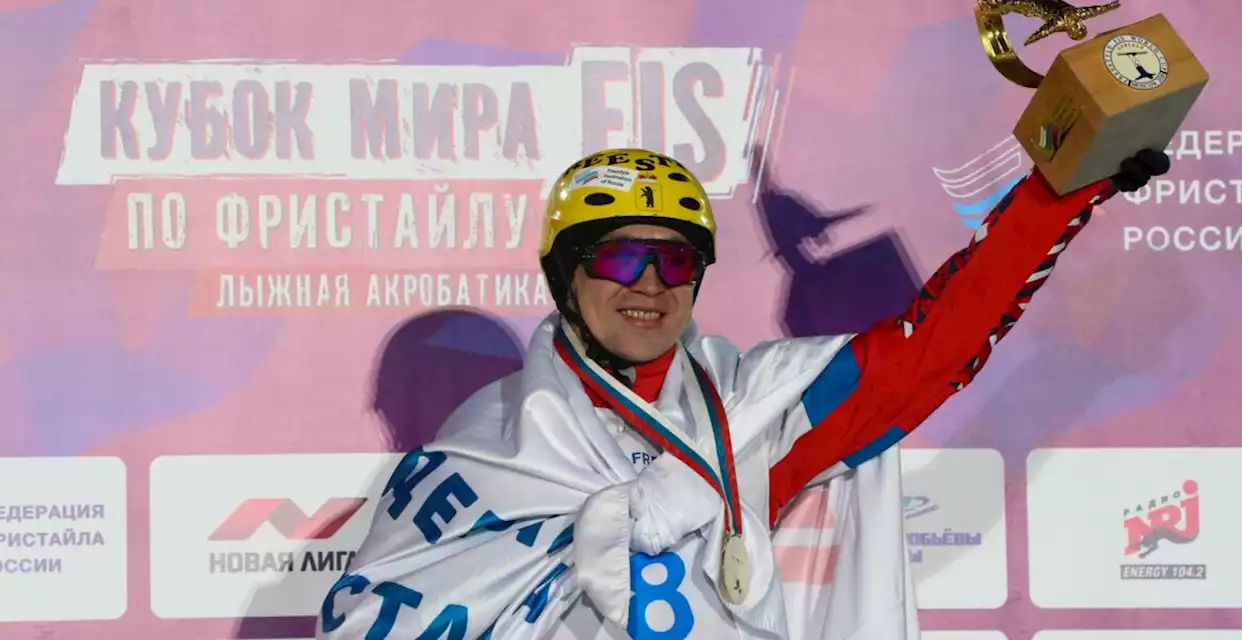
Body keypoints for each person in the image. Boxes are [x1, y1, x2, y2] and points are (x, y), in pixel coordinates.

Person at [316, 147, 1170, 640]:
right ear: (562, 275)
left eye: (676, 258)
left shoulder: (752, 412)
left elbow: (931, 350)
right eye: (617, 256)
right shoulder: (478, 450)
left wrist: (1064, 188)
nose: (648, 283)